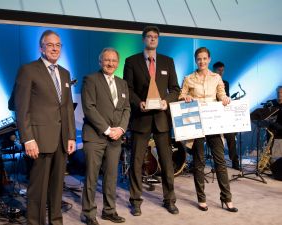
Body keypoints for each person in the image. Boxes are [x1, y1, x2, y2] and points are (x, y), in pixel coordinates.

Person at [14, 30, 76, 225]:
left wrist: (71, 136)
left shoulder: (65, 73)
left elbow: (67, 107)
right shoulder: (28, 70)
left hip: (61, 139)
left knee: (58, 186)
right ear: (41, 47)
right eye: (50, 44)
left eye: (58, 45)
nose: (55, 48)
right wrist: (28, 139)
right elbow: (21, 107)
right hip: (39, 139)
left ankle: (56, 221)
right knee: (38, 189)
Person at [123, 26, 180, 216]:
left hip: (161, 119)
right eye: (149, 36)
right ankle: (135, 200)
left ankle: (169, 199)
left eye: (155, 37)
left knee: (167, 162)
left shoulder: (167, 61)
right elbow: (127, 89)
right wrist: (138, 102)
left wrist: (167, 102)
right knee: (137, 161)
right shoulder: (131, 61)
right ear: (143, 39)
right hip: (141, 118)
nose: (152, 39)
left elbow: (175, 89)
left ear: (158, 40)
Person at [179, 47, 237, 212]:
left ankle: (227, 198)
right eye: (199, 59)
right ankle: (201, 198)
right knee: (199, 163)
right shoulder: (189, 78)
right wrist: (186, 97)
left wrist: (225, 98)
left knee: (220, 161)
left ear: (209, 59)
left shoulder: (216, 77)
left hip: (213, 122)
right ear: (196, 60)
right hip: (196, 123)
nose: (202, 61)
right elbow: (180, 95)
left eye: (205, 58)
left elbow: (221, 94)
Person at [81, 48, 130, 225]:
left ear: (118, 63)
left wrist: (121, 129)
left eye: (114, 61)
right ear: (100, 61)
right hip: (95, 136)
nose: (110, 64)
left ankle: (109, 211)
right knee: (92, 177)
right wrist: (108, 130)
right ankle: (88, 213)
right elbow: (89, 107)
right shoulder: (90, 80)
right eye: (107, 60)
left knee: (111, 177)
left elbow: (126, 109)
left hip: (116, 138)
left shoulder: (122, 83)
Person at [213, 61, 240, 170]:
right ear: (214, 70)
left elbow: (225, 97)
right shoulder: (210, 82)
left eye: (222, 70)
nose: (221, 72)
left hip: (224, 114)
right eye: (219, 70)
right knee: (215, 139)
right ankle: (217, 162)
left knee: (231, 136)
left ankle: (235, 161)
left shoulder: (226, 83)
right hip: (213, 114)